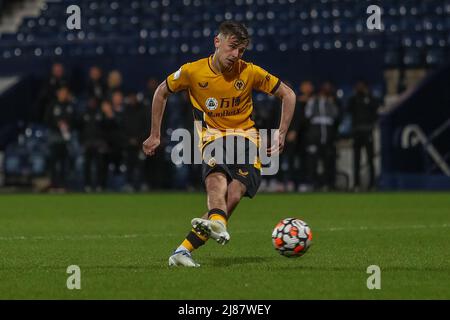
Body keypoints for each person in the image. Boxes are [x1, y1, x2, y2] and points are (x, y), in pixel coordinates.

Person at [142, 21, 296, 267]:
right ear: (217, 42)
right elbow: (161, 92)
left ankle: (183, 250)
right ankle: (218, 223)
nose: (236, 55)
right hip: (213, 138)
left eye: (241, 50)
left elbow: (288, 94)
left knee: (233, 195)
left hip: (247, 139)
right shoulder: (193, 71)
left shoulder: (249, 72)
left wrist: (281, 131)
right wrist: (155, 135)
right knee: (216, 181)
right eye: (233, 47)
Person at [347, 80, 379, 190]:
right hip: (357, 132)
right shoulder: (354, 99)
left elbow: (376, 110)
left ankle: (372, 184)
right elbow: (348, 109)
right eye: (358, 86)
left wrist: (368, 95)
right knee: (356, 160)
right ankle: (356, 184)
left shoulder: (370, 99)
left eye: (362, 86)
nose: (360, 88)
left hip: (368, 131)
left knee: (370, 159)